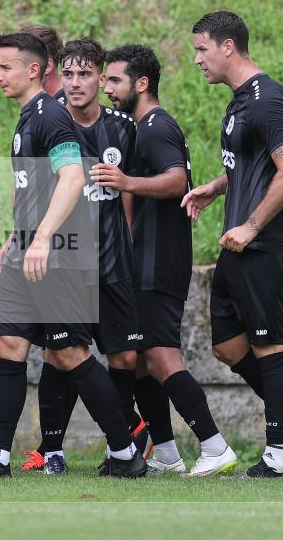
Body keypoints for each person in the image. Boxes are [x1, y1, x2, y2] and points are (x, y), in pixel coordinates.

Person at [0, 32, 146, 479]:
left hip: (55, 257)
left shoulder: (51, 114)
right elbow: (31, 187)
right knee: (10, 346)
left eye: (5, 67)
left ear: (33, 70)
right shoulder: (30, 116)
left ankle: (124, 451)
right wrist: (17, 235)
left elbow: (73, 178)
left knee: (70, 354)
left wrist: (41, 239)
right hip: (27, 253)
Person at [183, 11, 283, 477]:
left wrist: (251, 225)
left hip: (267, 244)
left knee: (270, 349)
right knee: (228, 347)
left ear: (228, 47)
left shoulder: (268, 99)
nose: (197, 60)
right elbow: (252, 165)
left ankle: (277, 455)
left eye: (202, 49)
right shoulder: (239, 100)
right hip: (240, 246)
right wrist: (215, 186)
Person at [96, 43, 237, 476]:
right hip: (145, 259)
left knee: (160, 356)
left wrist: (125, 181)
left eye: (115, 80)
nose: (107, 89)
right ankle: (168, 453)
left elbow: (177, 181)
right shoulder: (143, 126)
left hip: (159, 262)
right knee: (139, 360)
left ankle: (215, 447)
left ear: (142, 84)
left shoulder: (156, 127)